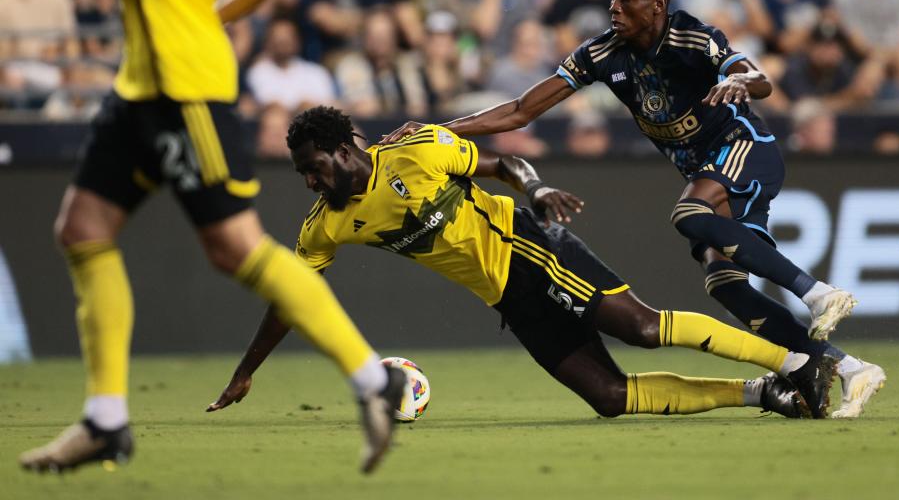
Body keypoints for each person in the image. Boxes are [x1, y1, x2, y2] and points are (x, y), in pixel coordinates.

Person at [20, 0, 403, 475]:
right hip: (143, 86)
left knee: (235, 247)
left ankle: (369, 379)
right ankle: (106, 420)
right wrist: (215, 15)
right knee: (82, 228)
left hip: (181, 87)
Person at [383, 0, 885, 419]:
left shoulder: (690, 36)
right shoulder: (602, 52)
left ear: (658, 4)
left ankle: (817, 294)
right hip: (708, 172)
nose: (614, 9)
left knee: (689, 214)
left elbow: (756, 76)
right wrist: (437, 129)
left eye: (626, 0)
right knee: (726, 286)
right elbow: (521, 110)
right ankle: (850, 369)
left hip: (744, 148)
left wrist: (739, 83)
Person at [207, 107, 837, 421]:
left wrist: (534, 189)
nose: (311, 183)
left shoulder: (415, 150)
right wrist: (245, 373)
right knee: (610, 398)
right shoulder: (328, 224)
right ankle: (768, 393)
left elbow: (502, 164)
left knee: (641, 328)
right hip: (508, 297)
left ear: (346, 150)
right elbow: (291, 297)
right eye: (302, 176)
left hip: (528, 247)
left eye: (314, 168)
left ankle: (798, 361)